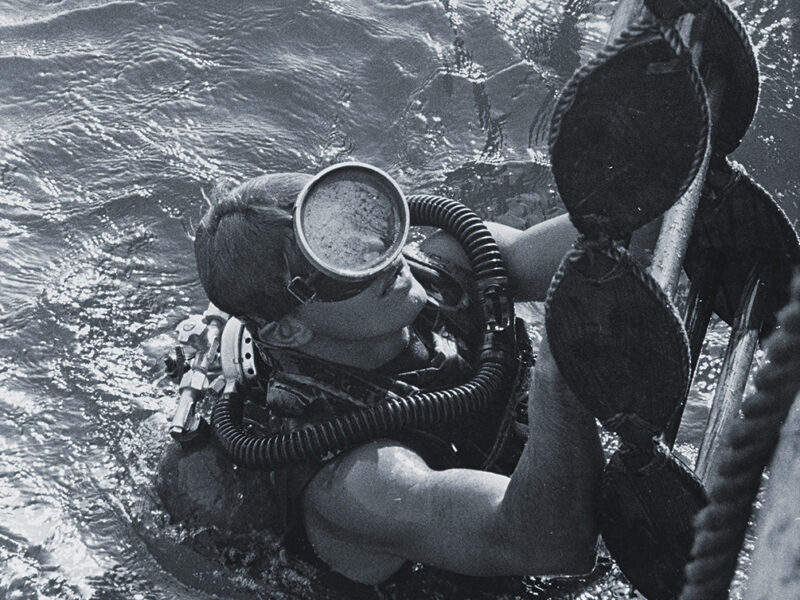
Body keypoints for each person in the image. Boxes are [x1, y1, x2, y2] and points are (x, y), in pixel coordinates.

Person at [166, 166, 609, 586]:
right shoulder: (357, 479)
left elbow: (606, 248)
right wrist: (561, 371)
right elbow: (552, 548)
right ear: (288, 330)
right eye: (337, 259)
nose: (380, 255)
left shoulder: (450, 264)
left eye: (353, 225)